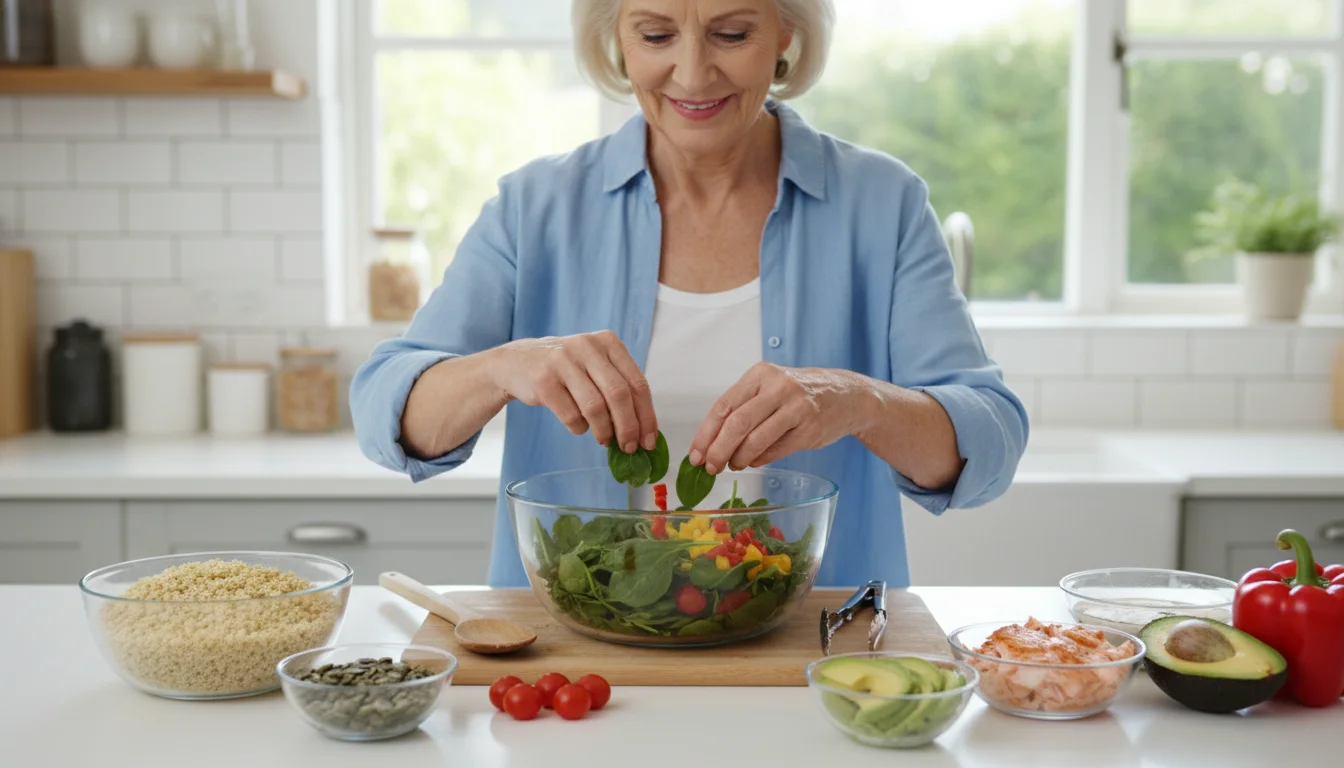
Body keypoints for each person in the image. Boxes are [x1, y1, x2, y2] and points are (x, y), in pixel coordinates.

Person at [351, 0, 1029, 588]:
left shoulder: (884, 204)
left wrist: (862, 402)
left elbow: (990, 440)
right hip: (575, 666)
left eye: (731, 34)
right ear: (616, 36)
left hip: (819, 654)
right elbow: (388, 410)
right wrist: (502, 366)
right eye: (655, 35)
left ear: (786, 32)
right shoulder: (534, 209)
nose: (694, 72)